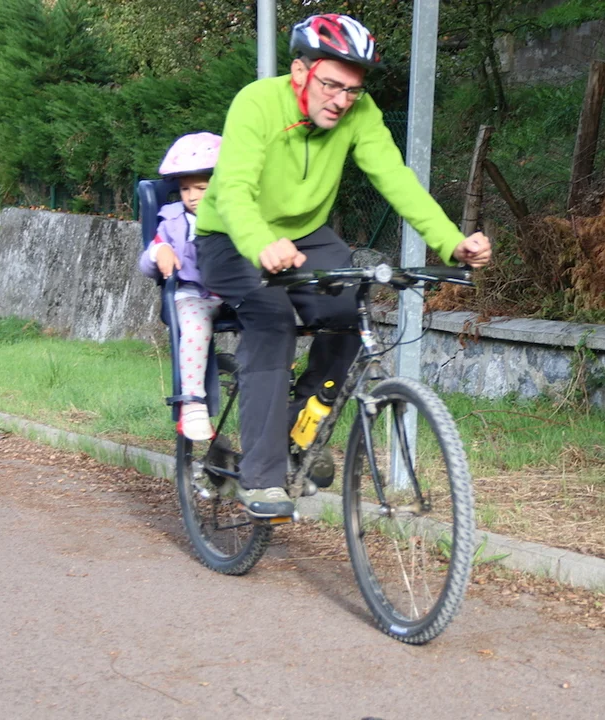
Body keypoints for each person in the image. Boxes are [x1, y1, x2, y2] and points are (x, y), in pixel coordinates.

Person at [195, 13, 492, 518]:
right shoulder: (257, 102)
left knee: (351, 313)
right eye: (331, 84)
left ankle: (298, 430)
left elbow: (396, 179)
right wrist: (261, 242)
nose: (341, 99)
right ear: (300, 72)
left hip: (306, 234)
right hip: (229, 235)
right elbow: (235, 190)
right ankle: (261, 477)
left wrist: (452, 243)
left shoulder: (361, 112)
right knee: (271, 320)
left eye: (352, 90)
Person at [137, 132, 223, 442]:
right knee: (195, 328)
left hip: (233, 292)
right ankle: (193, 402)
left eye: (201, 188)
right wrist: (160, 251)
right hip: (192, 293)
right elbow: (148, 259)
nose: (192, 196)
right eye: (185, 188)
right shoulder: (172, 221)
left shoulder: (236, 215)